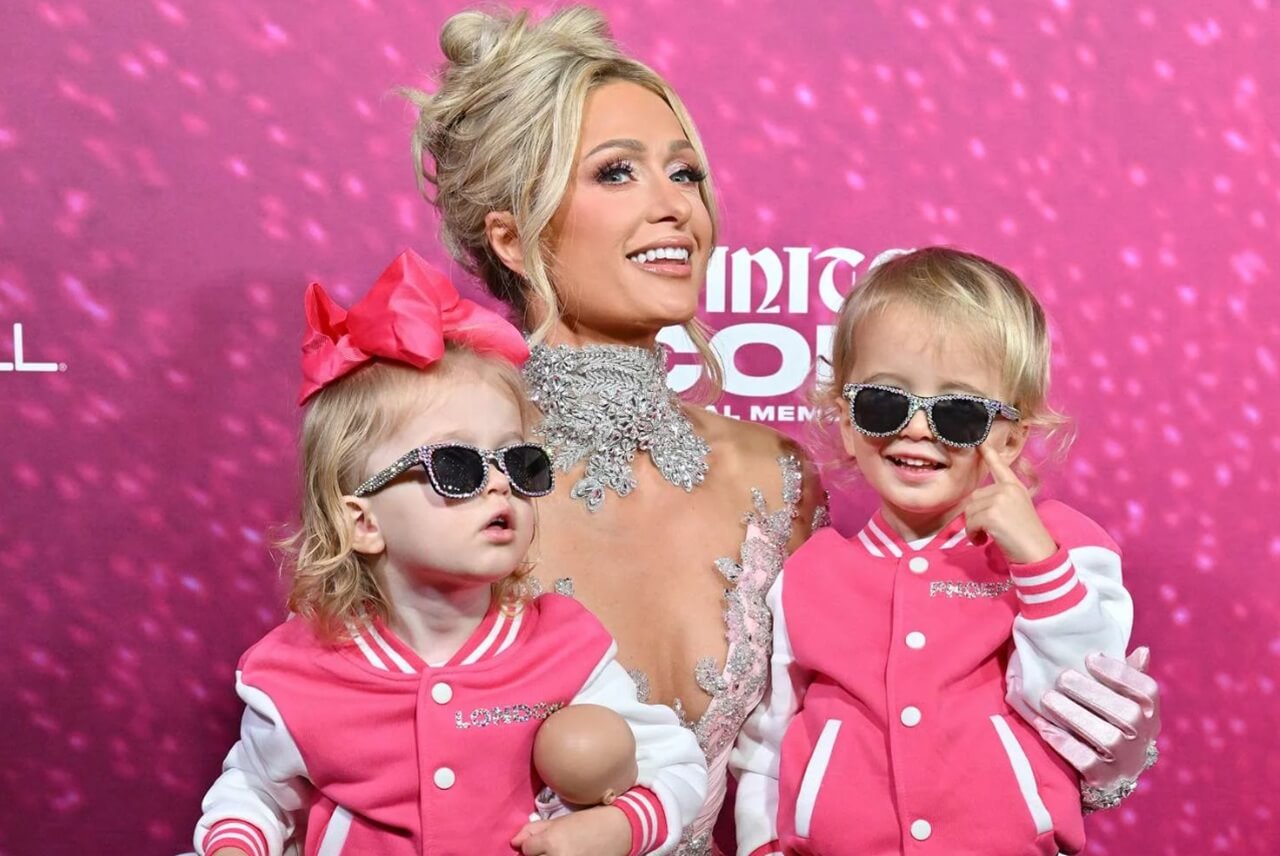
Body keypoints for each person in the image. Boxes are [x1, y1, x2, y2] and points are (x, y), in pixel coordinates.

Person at [401, 9, 1162, 854]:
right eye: (617, 174)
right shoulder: (445, 473)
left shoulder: (774, 475)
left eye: (685, 174)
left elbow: (864, 730)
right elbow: (336, 731)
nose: (674, 208)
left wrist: (1104, 750)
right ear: (512, 235)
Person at [191, 250, 707, 856]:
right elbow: (253, 791)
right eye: (455, 467)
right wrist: (235, 844)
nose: (498, 484)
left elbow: (676, 766)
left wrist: (615, 827)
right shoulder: (295, 673)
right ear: (362, 521)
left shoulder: (564, 648)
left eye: (518, 462)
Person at [732, 247, 1157, 855]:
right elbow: (769, 744)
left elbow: (1084, 704)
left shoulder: (1063, 547)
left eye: (959, 413)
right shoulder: (810, 573)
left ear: (1009, 438)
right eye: (884, 402)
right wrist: (760, 845)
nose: (918, 430)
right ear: (848, 423)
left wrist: (1038, 565)